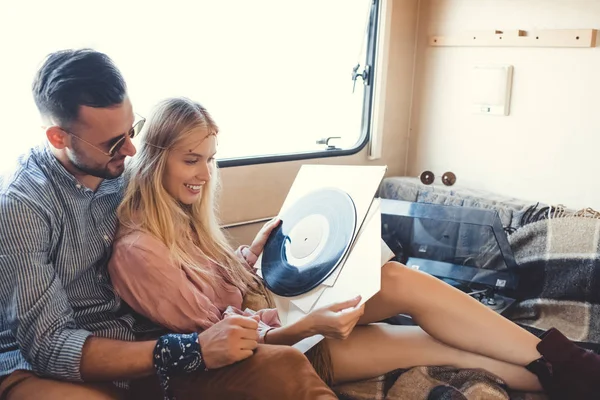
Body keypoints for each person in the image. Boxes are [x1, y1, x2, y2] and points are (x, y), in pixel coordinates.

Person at [108, 95, 600, 400]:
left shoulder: (181, 220)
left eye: (210, 160)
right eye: (191, 160)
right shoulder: (139, 252)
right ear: (152, 161)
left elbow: (222, 296)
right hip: (281, 344)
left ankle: (571, 362)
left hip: (283, 314)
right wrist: (311, 325)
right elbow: (222, 346)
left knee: (397, 278)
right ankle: (569, 371)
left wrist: (248, 260)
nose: (204, 174)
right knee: (441, 343)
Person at [0, 48, 339, 400]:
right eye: (114, 142)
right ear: (58, 137)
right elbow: (50, 347)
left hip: (144, 342)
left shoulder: (119, 171)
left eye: (132, 129)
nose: (131, 150)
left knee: (283, 366)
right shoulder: (22, 206)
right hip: (51, 366)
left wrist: (244, 260)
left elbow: (182, 259)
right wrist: (190, 350)